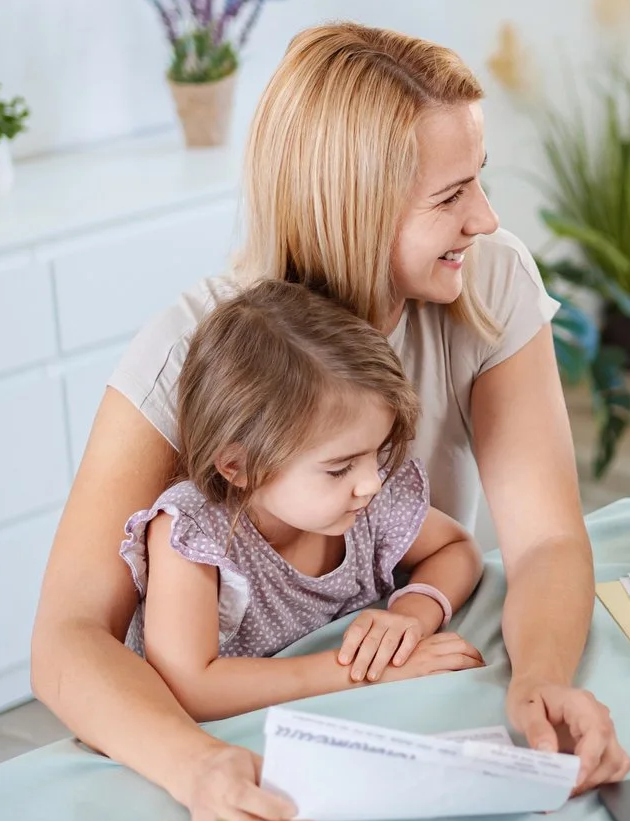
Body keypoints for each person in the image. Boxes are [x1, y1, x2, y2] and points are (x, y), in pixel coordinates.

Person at [33, 23, 630, 821]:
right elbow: (67, 639)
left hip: (397, 682)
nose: (485, 219)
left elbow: (547, 541)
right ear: (356, 206)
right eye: (450, 196)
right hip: (249, 724)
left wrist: (539, 680)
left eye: (478, 181)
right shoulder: (195, 354)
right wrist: (200, 767)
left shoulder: (486, 277)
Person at [120, 280, 489, 722]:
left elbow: (457, 548)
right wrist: (367, 671)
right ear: (237, 466)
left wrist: (411, 615)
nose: (371, 481)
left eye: (377, 453)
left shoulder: (366, 500)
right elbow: (190, 687)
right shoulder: (193, 534)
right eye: (340, 467)